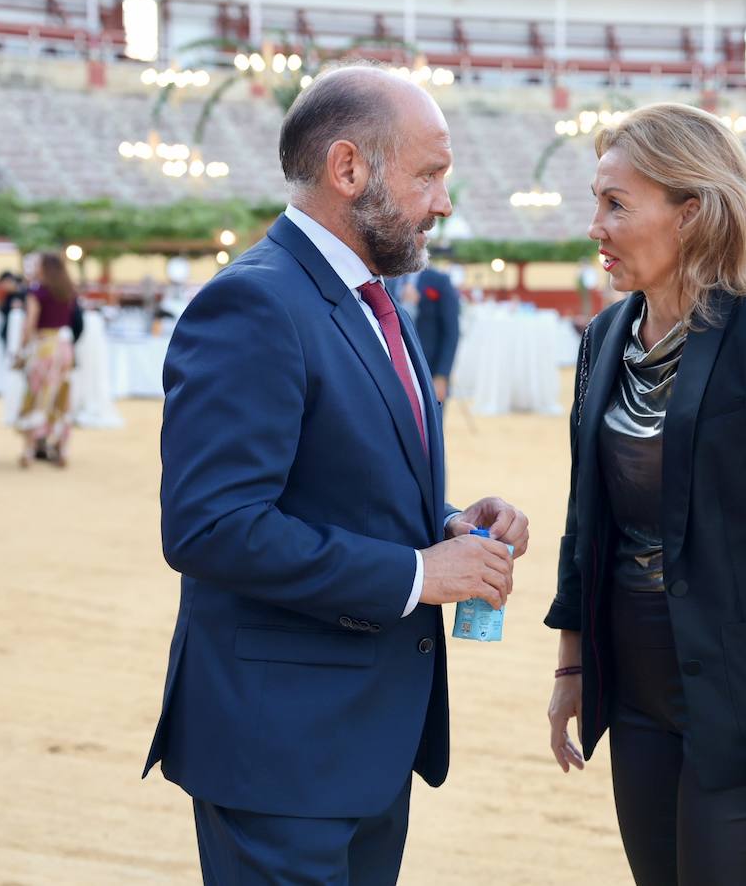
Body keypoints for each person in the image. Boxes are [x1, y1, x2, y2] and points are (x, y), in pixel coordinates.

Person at [142, 65, 530, 886]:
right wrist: (419, 573)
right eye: (429, 175)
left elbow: (344, 482)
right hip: (280, 752)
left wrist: (450, 524)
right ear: (348, 169)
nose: (444, 201)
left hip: (363, 740)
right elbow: (212, 527)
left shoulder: (370, 297)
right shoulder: (254, 303)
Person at [545, 103, 746, 886]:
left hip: (740, 691)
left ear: (692, 212)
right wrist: (572, 667)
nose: (596, 226)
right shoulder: (605, 337)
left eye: (616, 203)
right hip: (633, 677)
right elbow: (587, 519)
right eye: (597, 201)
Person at [14, 252, 78, 468]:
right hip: (64, 347)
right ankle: (62, 448)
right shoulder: (68, 290)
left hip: (44, 348)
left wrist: (21, 349)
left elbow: (29, 323)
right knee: (61, 397)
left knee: (37, 395)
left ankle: (29, 449)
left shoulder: (37, 291)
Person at [397, 265, 460, 402]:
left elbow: (451, 332)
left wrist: (442, 376)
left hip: (429, 369)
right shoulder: (389, 278)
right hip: (395, 372)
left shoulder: (440, 280)